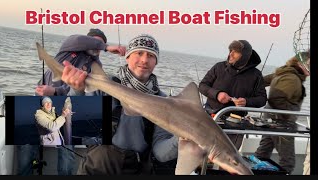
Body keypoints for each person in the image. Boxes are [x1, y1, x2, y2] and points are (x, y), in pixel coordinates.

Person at [62, 34, 178, 175]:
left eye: (151, 56)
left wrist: (180, 140)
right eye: (139, 53)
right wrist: (77, 91)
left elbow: (160, 153)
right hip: (97, 167)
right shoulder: (103, 85)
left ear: (156, 62)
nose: (144, 60)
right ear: (127, 56)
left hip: (136, 169)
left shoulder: (162, 101)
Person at [16, 28, 126, 175]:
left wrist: (55, 91)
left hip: (66, 107)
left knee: (67, 146)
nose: (97, 48)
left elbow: (79, 91)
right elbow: (79, 39)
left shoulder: (96, 67)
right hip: (40, 102)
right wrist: (106, 46)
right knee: (28, 143)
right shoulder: (70, 47)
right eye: (95, 43)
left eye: (100, 45)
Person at [198, 40, 267, 150]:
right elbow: (202, 86)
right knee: (203, 154)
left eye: (235, 52)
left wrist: (247, 102)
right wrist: (217, 94)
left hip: (236, 123)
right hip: (211, 117)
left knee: (228, 158)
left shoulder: (256, 75)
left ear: (245, 55)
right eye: (230, 51)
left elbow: (262, 99)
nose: (231, 54)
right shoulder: (219, 67)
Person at [254, 51, 310, 174]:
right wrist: (286, 119)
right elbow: (276, 99)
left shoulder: (284, 72)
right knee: (288, 161)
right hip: (280, 123)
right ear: (300, 64)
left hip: (270, 119)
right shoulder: (292, 78)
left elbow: (261, 81)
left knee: (263, 153)